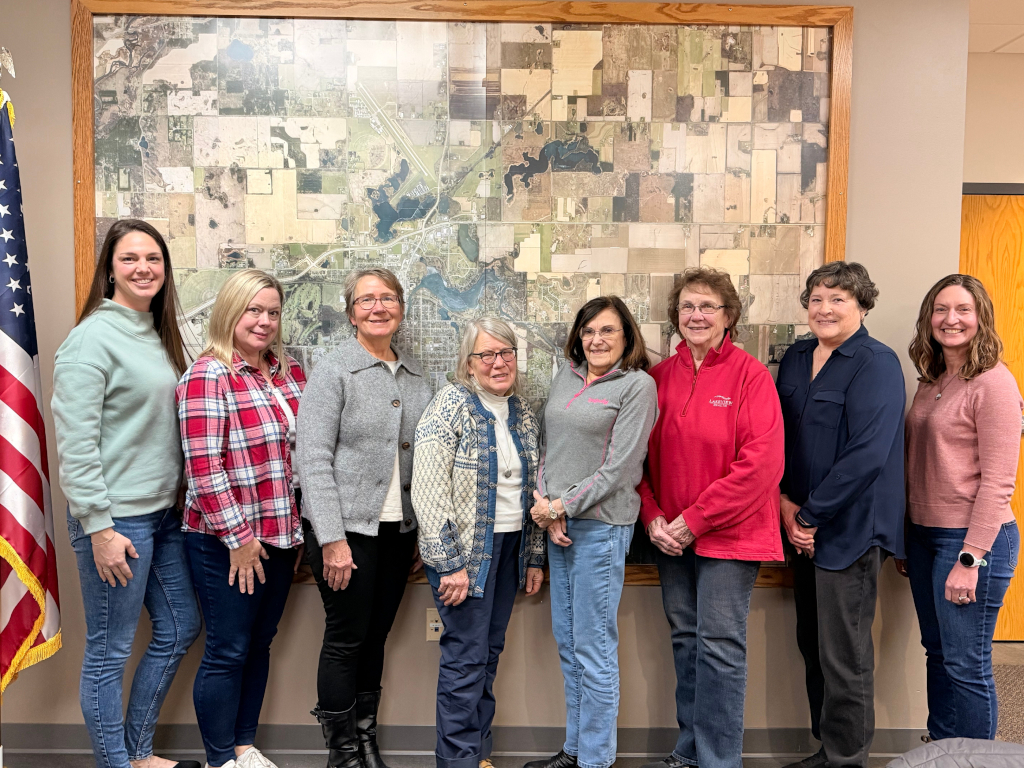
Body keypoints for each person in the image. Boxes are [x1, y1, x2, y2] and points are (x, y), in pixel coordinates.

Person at [53, 219, 201, 768]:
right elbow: (76, 444)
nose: (143, 268)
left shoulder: (156, 331)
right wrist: (99, 528)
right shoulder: (91, 337)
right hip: (117, 521)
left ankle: (138, 754)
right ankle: (116, 763)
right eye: (129, 258)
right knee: (109, 651)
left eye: (154, 259)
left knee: (181, 626)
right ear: (109, 270)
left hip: (162, 517)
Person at [638, 268, 785, 768]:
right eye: (687, 306)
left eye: (707, 306)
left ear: (729, 317)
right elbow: (636, 460)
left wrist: (694, 519)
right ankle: (689, 750)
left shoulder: (751, 375)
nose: (696, 315)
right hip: (670, 540)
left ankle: (719, 761)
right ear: (675, 316)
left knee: (719, 649)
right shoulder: (657, 379)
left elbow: (762, 465)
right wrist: (655, 517)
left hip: (731, 536)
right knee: (685, 643)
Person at [297, 268, 433, 768]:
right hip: (346, 532)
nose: (379, 307)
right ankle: (343, 753)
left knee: (375, 637)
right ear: (351, 311)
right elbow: (311, 460)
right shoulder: (333, 371)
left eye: (388, 298)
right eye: (366, 300)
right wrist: (331, 540)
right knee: (347, 637)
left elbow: (423, 461)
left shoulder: (417, 377)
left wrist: (418, 530)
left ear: (401, 307)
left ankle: (364, 737)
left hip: (397, 533)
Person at [775, 262, 906, 768]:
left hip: (848, 531)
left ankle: (847, 759)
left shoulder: (876, 362)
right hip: (797, 523)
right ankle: (826, 749)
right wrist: (786, 502)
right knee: (813, 645)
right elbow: (780, 436)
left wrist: (809, 517)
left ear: (862, 306)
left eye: (838, 300)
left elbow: (868, 454)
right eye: (816, 299)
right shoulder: (796, 357)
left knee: (844, 655)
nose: (824, 309)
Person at [177, 269, 306, 768]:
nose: (264, 321)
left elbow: (300, 457)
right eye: (253, 310)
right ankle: (218, 759)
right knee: (228, 649)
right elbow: (204, 468)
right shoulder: (209, 375)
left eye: (272, 312)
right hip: (223, 540)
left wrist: (291, 537)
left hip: (278, 536)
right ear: (230, 311)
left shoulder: (288, 373)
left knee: (259, 644)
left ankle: (244, 747)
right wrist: (238, 538)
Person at [525, 296, 658, 768]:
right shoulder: (566, 376)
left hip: (601, 529)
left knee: (594, 648)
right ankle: (575, 749)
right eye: (588, 331)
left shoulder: (637, 386)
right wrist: (547, 505)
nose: (596, 340)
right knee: (569, 642)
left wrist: (563, 504)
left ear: (626, 338)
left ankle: (596, 760)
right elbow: (545, 448)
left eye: (607, 331)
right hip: (558, 525)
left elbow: (621, 469)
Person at [412, 317, 545, 768]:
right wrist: (450, 563)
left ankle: (478, 754)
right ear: (468, 364)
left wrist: (533, 557)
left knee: (488, 655)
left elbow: (532, 493)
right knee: (465, 659)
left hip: (509, 550)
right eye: (486, 355)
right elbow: (428, 492)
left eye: (506, 352)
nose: (498, 362)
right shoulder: (448, 406)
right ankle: (457, 761)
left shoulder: (522, 412)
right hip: (466, 555)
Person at [901, 274, 1022, 741]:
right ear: (929, 318)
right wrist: (907, 536)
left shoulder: (993, 383)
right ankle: (945, 750)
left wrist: (970, 559)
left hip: (972, 539)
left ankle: (977, 759)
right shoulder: (935, 379)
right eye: (941, 309)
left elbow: (998, 483)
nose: (951, 319)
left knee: (967, 662)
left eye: (963, 310)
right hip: (926, 535)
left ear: (981, 318)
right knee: (938, 652)